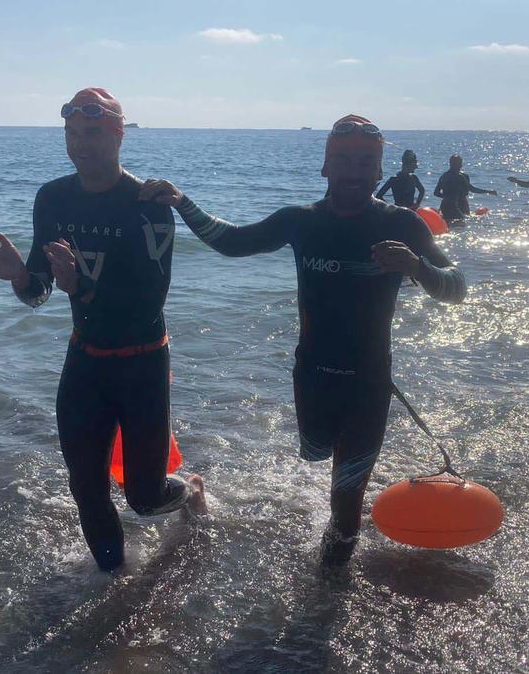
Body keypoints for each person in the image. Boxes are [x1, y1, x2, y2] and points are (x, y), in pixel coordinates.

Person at [139, 114, 467, 567]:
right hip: (311, 375)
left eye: (365, 162)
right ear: (325, 167)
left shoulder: (404, 226)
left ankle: (325, 599)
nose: (353, 172)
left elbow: (457, 288)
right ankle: (331, 486)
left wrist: (416, 267)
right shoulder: (301, 221)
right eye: (343, 160)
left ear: (378, 172)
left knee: (346, 501)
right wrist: (181, 202)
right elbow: (233, 242)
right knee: (316, 455)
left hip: (369, 381)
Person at [0, 87, 205, 573]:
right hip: (85, 362)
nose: (80, 144)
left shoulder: (148, 205)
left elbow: (147, 302)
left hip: (142, 361)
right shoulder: (53, 198)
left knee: (143, 497)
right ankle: (112, 585)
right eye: (72, 133)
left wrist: (82, 288)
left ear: (118, 136)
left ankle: (191, 493)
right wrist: (19, 275)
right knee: (86, 488)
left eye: (92, 133)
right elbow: (37, 292)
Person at [433, 154, 496, 223]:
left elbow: (436, 193)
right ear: (457, 164)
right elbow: (472, 189)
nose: (461, 165)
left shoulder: (443, 176)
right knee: (462, 224)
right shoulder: (461, 177)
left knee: (449, 224)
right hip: (455, 206)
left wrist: (447, 197)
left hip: (444, 206)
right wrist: (488, 191)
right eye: (459, 163)